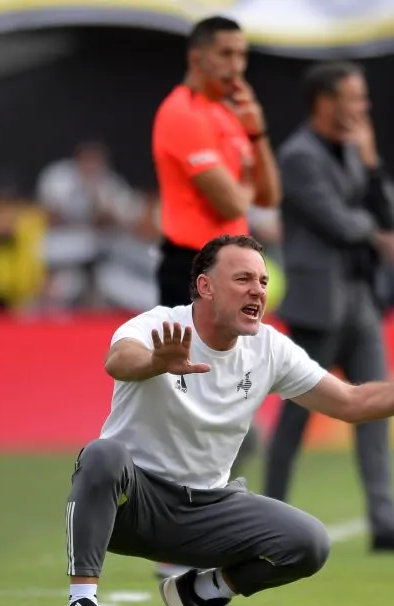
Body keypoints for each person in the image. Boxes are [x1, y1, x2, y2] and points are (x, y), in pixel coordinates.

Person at [59, 234, 394, 606]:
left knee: (308, 542)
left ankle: (202, 594)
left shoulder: (269, 348)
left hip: (205, 512)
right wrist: (157, 361)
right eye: (244, 279)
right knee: (103, 455)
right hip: (130, 507)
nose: (258, 291)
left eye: (263, 281)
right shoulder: (160, 324)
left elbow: (350, 401)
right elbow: (118, 360)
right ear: (204, 286)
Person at [264, 61, 394, 554]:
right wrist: (373, 227)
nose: (364, 109)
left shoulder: (352, 152)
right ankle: (267, 514)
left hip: (360, 299)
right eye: (355, 99)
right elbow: (341, 224)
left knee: (378, 407)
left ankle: (384, 524)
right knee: (296, 417)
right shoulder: (299, 156)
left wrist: (373, 164)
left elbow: (393, 216)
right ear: (325, 102)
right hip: (317, 304)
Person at [149, 14, 281, 577]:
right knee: (184, 402)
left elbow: (266, 195)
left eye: (242, 56)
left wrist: (256, 133)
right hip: (190, 267)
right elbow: (230, 200)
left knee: (223, 401)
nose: (236, 67)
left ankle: (192, 532)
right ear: (197, 57)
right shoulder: (180, 114)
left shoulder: (228, 116)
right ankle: (171, 538)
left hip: (226, 268)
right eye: (226, 55)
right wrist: (245, 173)